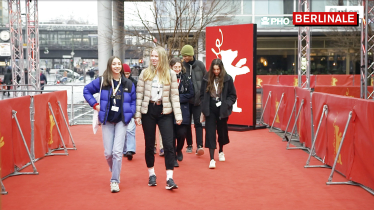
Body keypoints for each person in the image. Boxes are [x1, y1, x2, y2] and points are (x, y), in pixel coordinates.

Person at [83, 56, 136, 193]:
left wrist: (130, 114)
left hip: (121, 121)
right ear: (110, 66)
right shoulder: (103, 81)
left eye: (119, 64)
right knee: (108, 153)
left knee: (117, 152)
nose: (117, 66)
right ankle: (114, 169)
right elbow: (86, 90)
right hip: (106, 120)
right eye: (114, 64)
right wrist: (95, 105)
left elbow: (133, 101)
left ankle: (114, 181)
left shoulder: (128, 84)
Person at [135, 46, 182, 190]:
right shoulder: (145, 73)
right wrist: (137, 114)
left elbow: (174, 95)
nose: (154, 58)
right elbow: (139, 95)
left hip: (165, 111)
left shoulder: (170, 74)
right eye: (152, 56)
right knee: (150, 145)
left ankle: (169, 178)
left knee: (168, 145)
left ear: (162, 57)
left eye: (156, 56)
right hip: (148, 110)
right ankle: (151, 174)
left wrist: (178, 115)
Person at [200, 58, 237, 169]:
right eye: (214, 69)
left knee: (222, 131)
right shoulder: (206, 78)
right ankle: (211, 158)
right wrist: (203, 105)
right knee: (210, 132)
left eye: (218, 69)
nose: (216, 71)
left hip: (222, 108)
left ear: (221, 69)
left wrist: (226, 104)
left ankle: (221, 150)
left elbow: (233, 95)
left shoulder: (228, 79)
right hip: (210, 108)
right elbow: (201, 94)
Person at [181, 44, 207, 155]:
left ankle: (200, 146)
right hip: (186, 101)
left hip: (198, 100)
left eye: (187, 55)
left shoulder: (200, 65)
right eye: (184, 56)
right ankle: (189, 144)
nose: (185, 58)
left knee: (198, 123)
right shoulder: (182, 66)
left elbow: (206, 81)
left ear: (192, 55)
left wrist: (204, 96)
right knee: (186, 123)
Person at [170, 57, 194, 167]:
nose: (177, 69)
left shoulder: (186, 78)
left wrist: (177, 98)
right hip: (170, 110)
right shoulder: (167, 78)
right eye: (175, 67)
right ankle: (173, 157)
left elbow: (191, 93)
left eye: (179, 67)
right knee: (172, 135)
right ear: (171, 67)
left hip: (183, 109)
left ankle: (179, 149)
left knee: (182, 133)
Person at [122, 63, 137, 161]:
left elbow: (136, 97)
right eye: (125, 73)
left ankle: (130, 150)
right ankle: (124, 150)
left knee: (130, 130)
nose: (126, 75)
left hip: (130, 109)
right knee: (122, 131)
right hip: (120, 110)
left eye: (128, 73)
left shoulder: (133, 83)